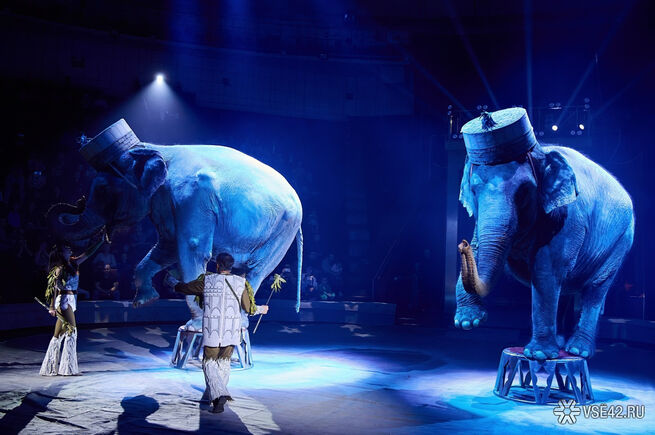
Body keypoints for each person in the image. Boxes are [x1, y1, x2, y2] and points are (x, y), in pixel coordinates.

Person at [172, 253, 269, 413]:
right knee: (224, 362)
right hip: (231, 330)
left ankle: (219, 395)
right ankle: (218, 398)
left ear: (217, 265)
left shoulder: (207, 280)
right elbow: (249, 308)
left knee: (209, 363)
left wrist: (174, 284)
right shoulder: (241, 283)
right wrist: (261, 309)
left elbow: (186, 288)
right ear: (231, 266)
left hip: (212, 329)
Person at [39, 233, 106, 376]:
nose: (69, 249)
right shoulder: (59, 269)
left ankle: (49, 368)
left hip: (72, 300)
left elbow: (88, 253)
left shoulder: (74, 263)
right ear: (61, 252)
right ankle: (68, 369)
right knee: (72, 331)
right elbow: (53, 288)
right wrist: (51, 306)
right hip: (64, 301)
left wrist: (100, 241)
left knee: (58, 335)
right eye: (66, 248)